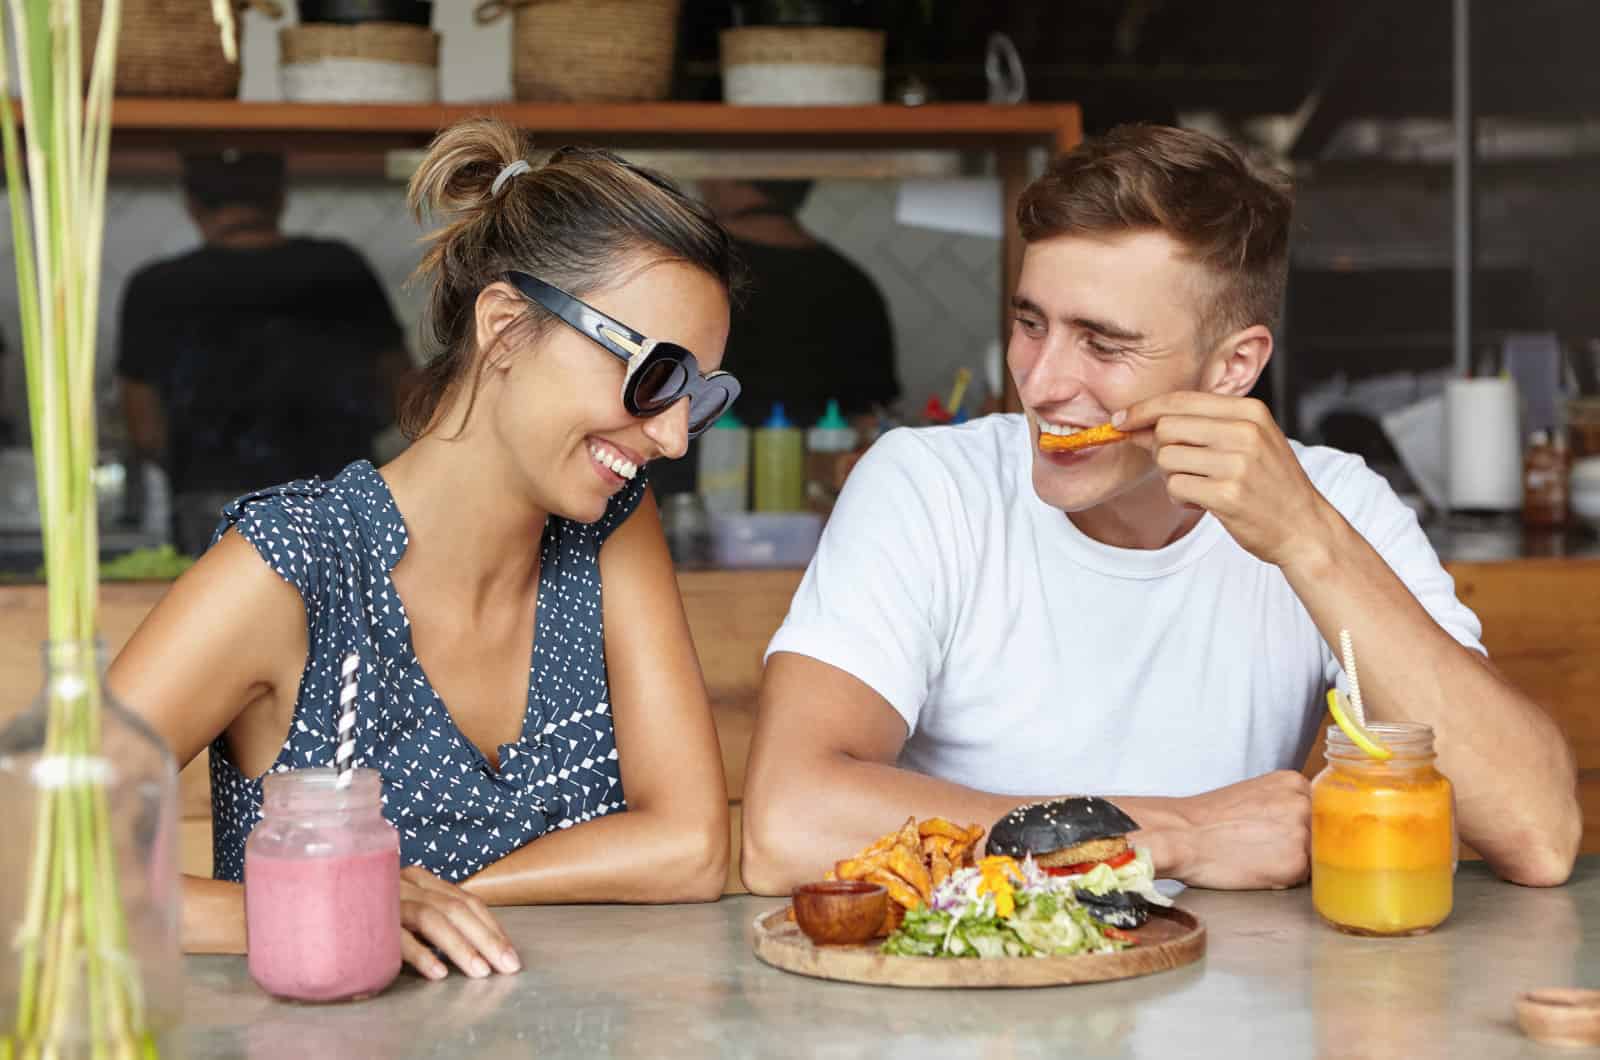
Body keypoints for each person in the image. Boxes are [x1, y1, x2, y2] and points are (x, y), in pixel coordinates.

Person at [741, 125, 1580, 895]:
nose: (1041, 383)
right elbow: (788, 823)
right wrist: (1172, 834)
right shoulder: (927, 487)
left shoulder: (1335, 506)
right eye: (1031, 323)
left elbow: (1537, 834)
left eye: (1103, 344)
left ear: (1232, 368)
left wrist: (1308, 542)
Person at [108, 119, 738, 981]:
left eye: (697, 397)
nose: (671, 437)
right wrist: (343, 904)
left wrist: (444, 896)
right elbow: (38, 861)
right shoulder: (291, 567)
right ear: (507, 327)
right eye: (653, 376)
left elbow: (691, 846)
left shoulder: (613, 522)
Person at [116, 150, 412, 554]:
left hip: (210, 509)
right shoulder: (340, 268)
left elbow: (144, 428)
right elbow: (404, 393)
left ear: (192, 204)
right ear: (278, 197)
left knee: (224, 618)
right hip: (335, 502)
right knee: (339, 616)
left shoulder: (155, 287)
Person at [650, 178, 899, 495]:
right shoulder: (852, 284)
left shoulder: (690, 269)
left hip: (679, 496)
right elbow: (870, 421)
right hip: (806, 503)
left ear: (735, 180)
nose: (702, 180)